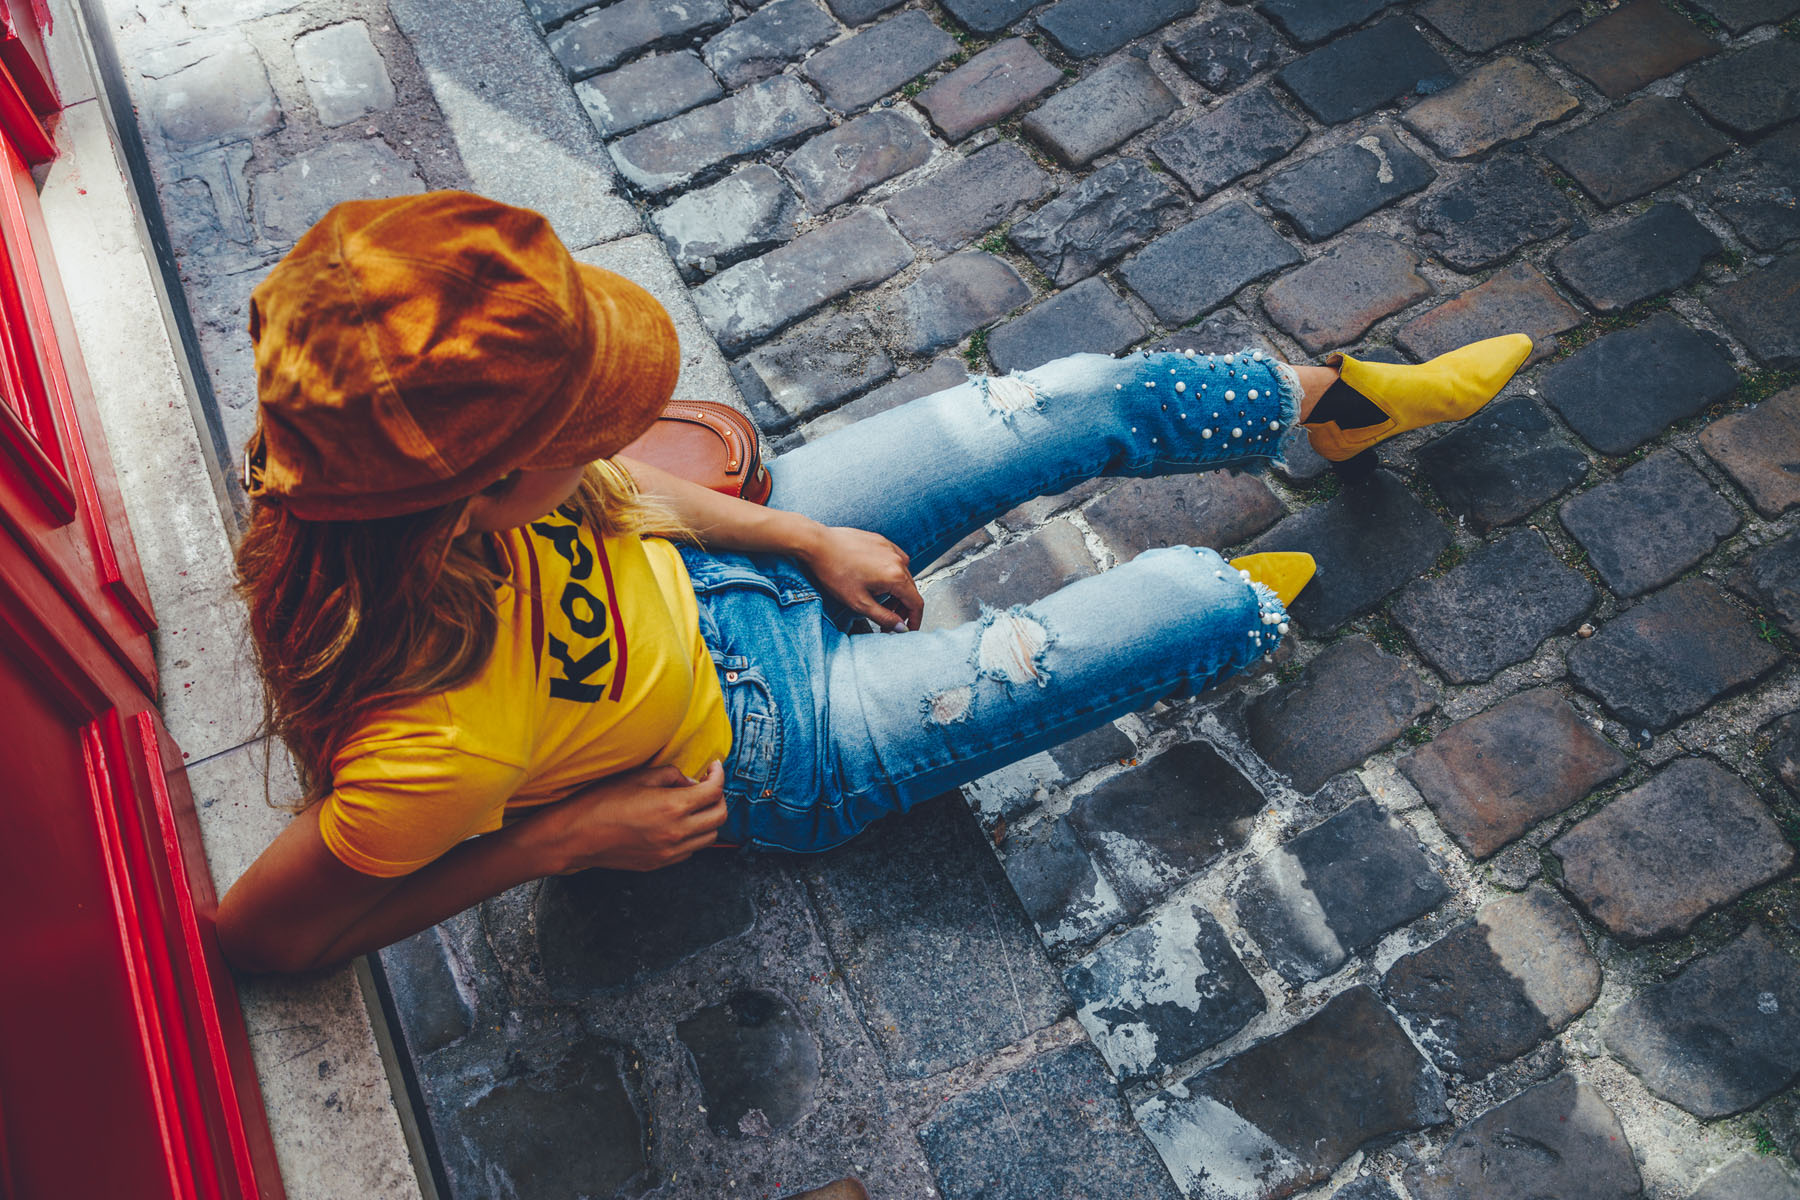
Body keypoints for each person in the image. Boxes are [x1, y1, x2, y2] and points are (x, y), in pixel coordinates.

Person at [214, 192, 1529, 974]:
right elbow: (263, 939)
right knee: (1180, 602)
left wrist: (797, 541)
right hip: (770, 749)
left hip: (727, 558)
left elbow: (609, 492)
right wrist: (563, 841)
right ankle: (1242, 603)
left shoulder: (365, 464)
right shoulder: (422, 748)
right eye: (576, 428)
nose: (608, 435)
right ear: (484, 491)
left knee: (1066, 400)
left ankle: (1343, 406)